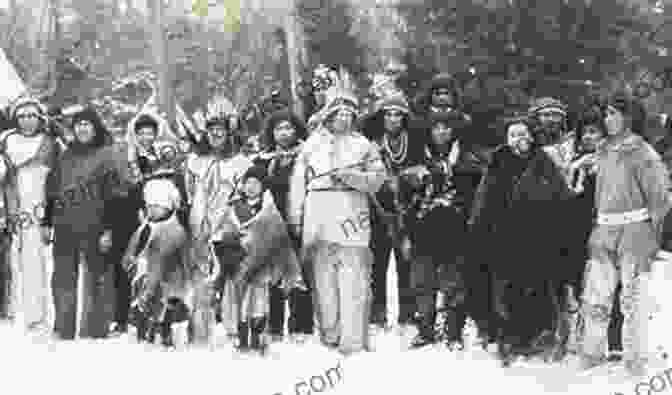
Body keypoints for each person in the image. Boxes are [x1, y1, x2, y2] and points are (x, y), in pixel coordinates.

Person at [289, 70, 386, 355]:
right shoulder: (311, 145)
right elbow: (298, 183)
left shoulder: (363, 145)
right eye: (339, 113)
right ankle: (329, 332)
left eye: (349, 113)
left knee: (353, 276)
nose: (344, 118)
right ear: (329, 115)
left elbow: (377, 179)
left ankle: (353, 339)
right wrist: (296, 216)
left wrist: (353, 178)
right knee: (323, 279)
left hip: (351, 211)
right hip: (318, 213)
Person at [469, 115, 575, 366]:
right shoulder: (498, 163)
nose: (520, 139)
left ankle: (538, 338)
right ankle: (508, 339)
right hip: (504, 239)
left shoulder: (543, 162)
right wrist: (480, 231)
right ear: (507, 140)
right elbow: (483, 202)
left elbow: (560, 196)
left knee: (538, 288)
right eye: (514, 134)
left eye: (524, 133)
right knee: (506, 291)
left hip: (539, 238)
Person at [578, 92, 671, 376]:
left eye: (613, 113)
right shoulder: (602, 150)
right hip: (604, 231)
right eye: (605, 114)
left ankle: (635, 362)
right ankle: (591, 357)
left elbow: (660, 198)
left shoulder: (643, 152)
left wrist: (651, 234)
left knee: (632, 300)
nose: (607, 119)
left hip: (635, 231)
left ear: (629, 117)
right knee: (595, 298)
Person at [44, 105, 131, 339]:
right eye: (78, 124)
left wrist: (110, 229)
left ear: (95, 127)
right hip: (65, 224)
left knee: (97, 276)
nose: (82, 128)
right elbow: (52, 189)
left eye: (87, 124)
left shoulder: (108, 154)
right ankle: (63, 326)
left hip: (96, 223)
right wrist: (47, 222)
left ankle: (95, 328)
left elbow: (118, 196)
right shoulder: (66, 156)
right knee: (62, 276)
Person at [212, 165, 304, 353]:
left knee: (258, 303)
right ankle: (240, 337)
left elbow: (279, 238)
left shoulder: (269, 210)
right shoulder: (232, 207)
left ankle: (258, 337)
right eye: (248, 182)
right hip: (237, 262)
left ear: (263, 187)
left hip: (260, 265)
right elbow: (220, 231)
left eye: (256, 183)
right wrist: (230, 242)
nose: (251, 187)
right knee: (237, 302)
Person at [187, 96, 254, 345]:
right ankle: (200, 331)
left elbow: (247, 196)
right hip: (201, 228)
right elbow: (190, 194)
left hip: (229, 228)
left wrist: (236, 224)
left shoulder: (241, 163)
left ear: (229, 133)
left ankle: (233, 329)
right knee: (202, 278)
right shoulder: (195, 163)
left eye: (221, 130)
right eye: (211, 130)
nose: (216, 135)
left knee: (231, 278)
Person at [361, 92, 428, 327]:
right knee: (377, 263)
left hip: (407, 209)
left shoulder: (416, 140)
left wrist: (409, 177)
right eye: (388, 114)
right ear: (381, 117)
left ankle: (408, 314)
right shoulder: (372, 143)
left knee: (406, 262)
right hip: (378, 210)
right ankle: (377, 313)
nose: (393, 119)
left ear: (404, 117)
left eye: (398, 114)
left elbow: (422, 169)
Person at [408, 110, 470, 349]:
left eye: (446, 128)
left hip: (454, 229)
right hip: (423, 230)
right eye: (436, 128)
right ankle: (425, 329)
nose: (441, 132)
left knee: (454, 282)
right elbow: (404, 195)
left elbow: (470, 191)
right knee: (422, 282)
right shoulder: (418, 157)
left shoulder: (464, 159)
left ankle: (454, 331)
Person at [0, 97, 60, 332]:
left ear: (39, 118)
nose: (27, 120)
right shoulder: (5, 140)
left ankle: (37, 314)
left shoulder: (50, 143)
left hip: (40, 205)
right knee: (12, 259)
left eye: (32, 116)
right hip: (12, 204)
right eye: (22, 116)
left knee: (37, 260)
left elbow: (57, 176)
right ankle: (13, 310)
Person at [255, 109, 313, 342]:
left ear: (297, 130)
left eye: (289, 127)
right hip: (272, 224)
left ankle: (302, 326)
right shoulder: (263, 159)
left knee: (301, 274)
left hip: (300, 220)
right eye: (279, 128)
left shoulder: (307, 155)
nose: (284, 133)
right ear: (272, 133)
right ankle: (275, 326)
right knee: (274, 276)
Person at [123, 177, 190, 346]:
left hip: (169, 276)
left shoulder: (174, 230)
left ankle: (164, 332)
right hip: (145, 275)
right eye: (149, 206)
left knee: (165, 306)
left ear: (168, 207)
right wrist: (130, 258)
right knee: (145, 303)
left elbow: (178, 254)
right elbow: (134, 245)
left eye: (157, 207)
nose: (152, 210)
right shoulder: (144, 227)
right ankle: (145, 330)